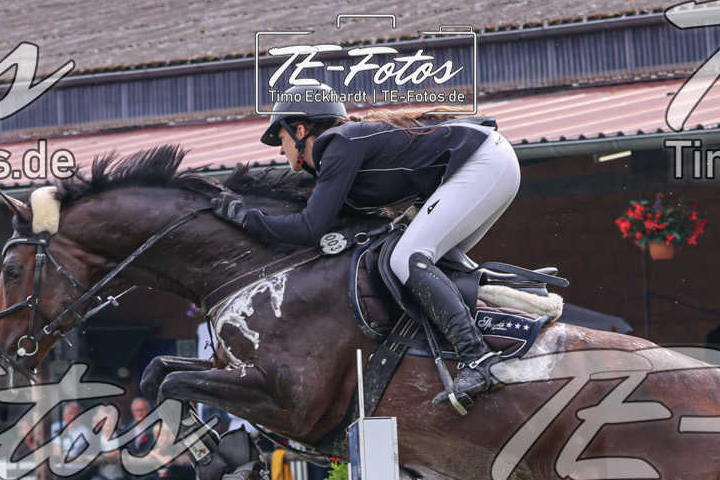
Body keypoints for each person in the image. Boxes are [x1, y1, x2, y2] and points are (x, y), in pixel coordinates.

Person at [216, 94, 521, 413]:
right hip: (488, 162)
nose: (281, 150)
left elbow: (309, 228)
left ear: (300, 131)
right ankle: (507, 319)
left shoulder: (336, 144)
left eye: (281, 139)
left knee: (407, 259)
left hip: (482, 164)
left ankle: (477, 358)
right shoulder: (342, 148)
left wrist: (246, 219)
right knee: (427, 263)